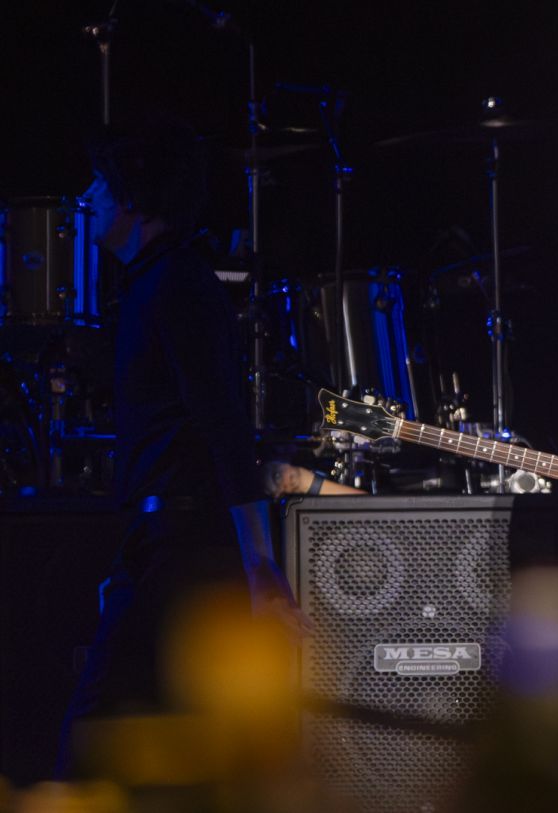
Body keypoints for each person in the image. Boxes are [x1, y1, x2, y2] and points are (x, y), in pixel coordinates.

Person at [55, 116, 306, 777]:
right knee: (153, 738)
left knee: (95, 733)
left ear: (133, 197)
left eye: (100, 183)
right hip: (159, 539)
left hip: (186, 546)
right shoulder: (148, 285)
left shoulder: (180, 286)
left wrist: (260, 567)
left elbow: (224, 428)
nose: (88, 196)